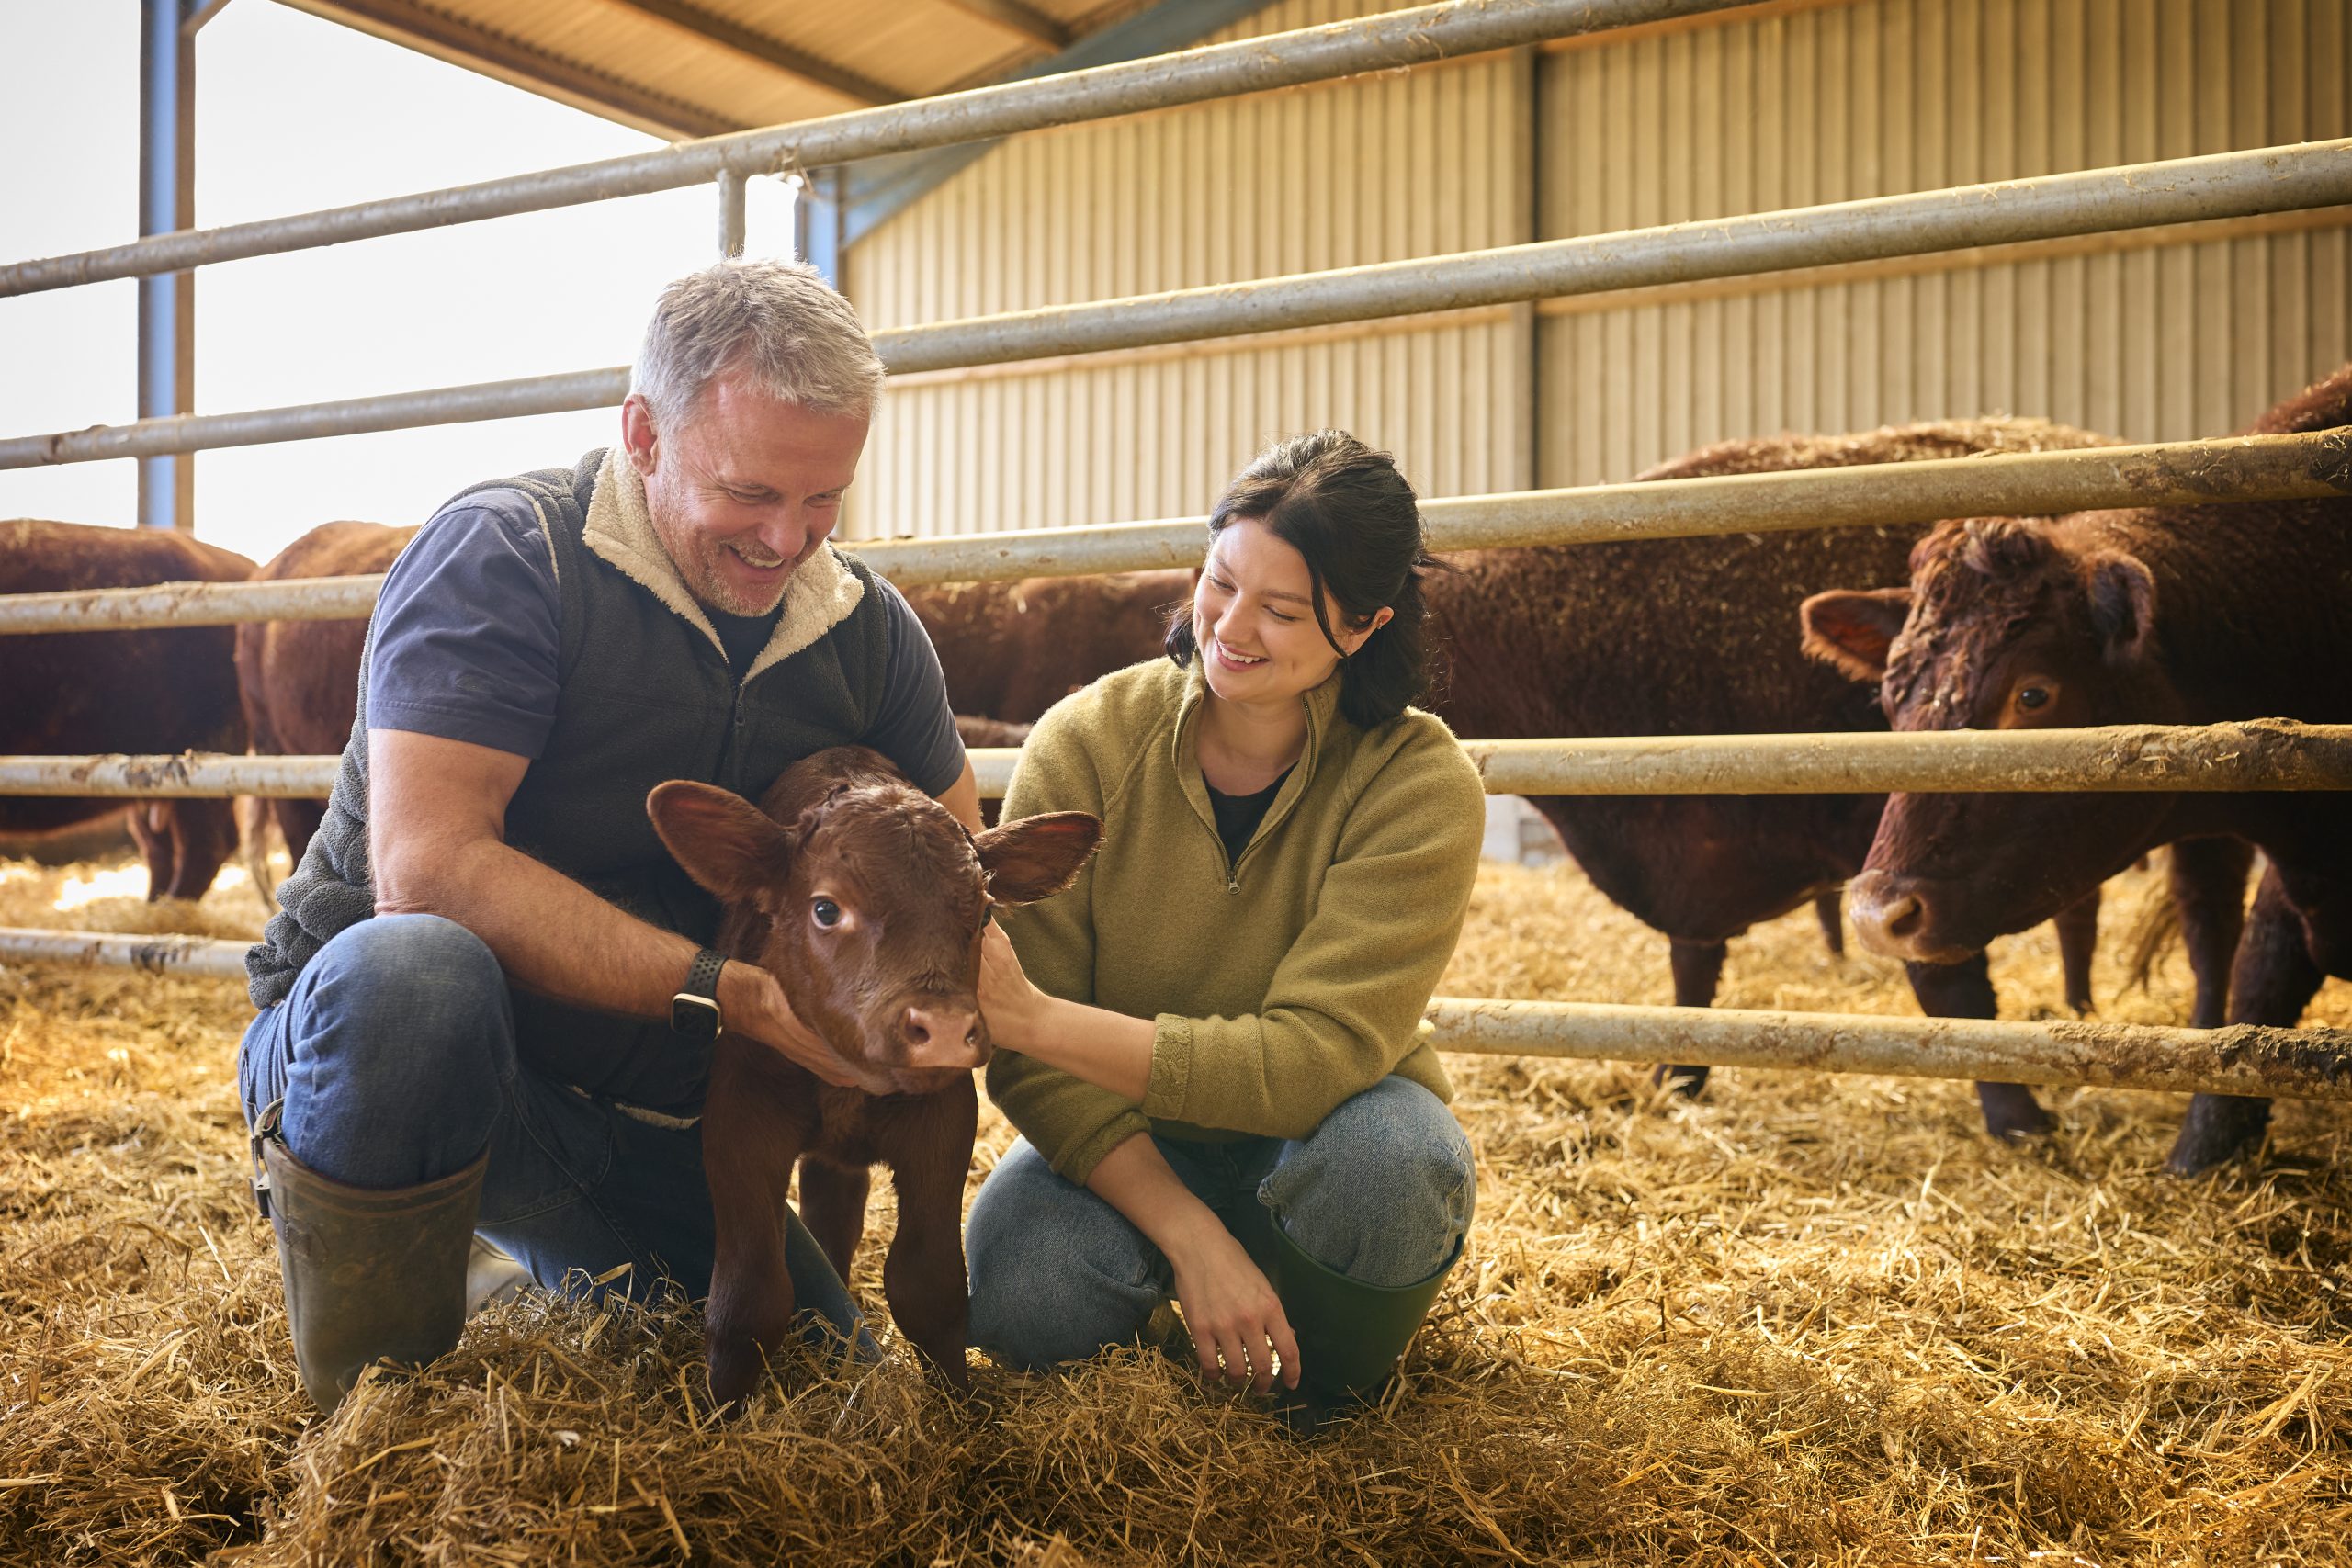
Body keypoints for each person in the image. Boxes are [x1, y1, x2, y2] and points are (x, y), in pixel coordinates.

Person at [238, 259, 983, 1416]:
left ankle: (511, 1253)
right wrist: (727, 993)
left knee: (819, 1384)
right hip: (400, 1056)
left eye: (824, 498)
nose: (788, 539)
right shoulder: (507, 557)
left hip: (642, 1115)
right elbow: (428, 871)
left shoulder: (868, 632)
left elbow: (953, 873)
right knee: (417, 975)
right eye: (749, 493)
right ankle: (369, 1414)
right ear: (643, 432)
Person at [967, 430, 1487, 1430]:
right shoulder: (1085, 740)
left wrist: (1032, 1020)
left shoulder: (1418, 782)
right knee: (1021, 1293)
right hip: (1130, 1142)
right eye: (1219, 582)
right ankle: (1202, 1294)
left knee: (1395, 1173)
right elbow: (1031, 1064)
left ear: (1366, 623)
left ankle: (1316, 1396)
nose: (1231, 627)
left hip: (1325, 1132)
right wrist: (1192, 1235)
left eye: (1283, 610)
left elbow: (1309, 1061)